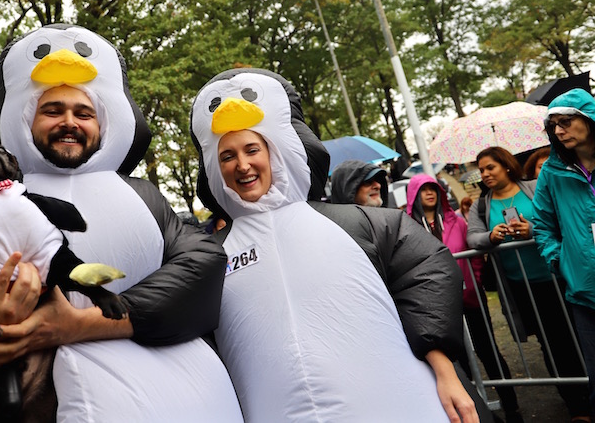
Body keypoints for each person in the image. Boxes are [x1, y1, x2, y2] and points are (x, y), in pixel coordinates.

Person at [0, 24, 242, 421]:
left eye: (83, 113)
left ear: (103, 123)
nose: (69, 122)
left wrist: (79, 324)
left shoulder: (144, 196)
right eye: (52, 110)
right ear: (25, 120)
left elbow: (203, 272)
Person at [190, 68, 479, 422]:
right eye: (227, 156)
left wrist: (444, 369)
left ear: (276, 151)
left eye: (252, 149)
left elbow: (427, 275)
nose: (243, 165)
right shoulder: (210, 257)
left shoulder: (361, 223)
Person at [468, 145, 592, 421]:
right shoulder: (482, 204)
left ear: (507, 166)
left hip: (560, 278)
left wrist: (532, 229)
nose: (485, 174)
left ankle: (588, 395)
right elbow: (472, 238)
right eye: (482, 170)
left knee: (579, 338)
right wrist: (491, 236)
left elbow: (561, 219)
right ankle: (577, 407)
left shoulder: (535, 187)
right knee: (551, 345)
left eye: (490, 167)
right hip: (523, 287)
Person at [407, 174, 522, 422]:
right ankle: (478, 411)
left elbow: (475, 257)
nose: (430, 193)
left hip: (469, 299)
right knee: (458, 361)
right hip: (435, 306)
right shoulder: (407, 227)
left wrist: (474, 281)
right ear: (413, 195)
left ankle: (512, 408)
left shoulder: (456, 221)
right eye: (423, 189)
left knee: (488, 351)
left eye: (433, 188)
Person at [533, 88, 595, 413]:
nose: (558, 130)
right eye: (554, 124)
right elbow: (541, 224)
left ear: (589, 119)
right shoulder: (552, 172)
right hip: (585, 294)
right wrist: (561, 261)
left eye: (566, 121)